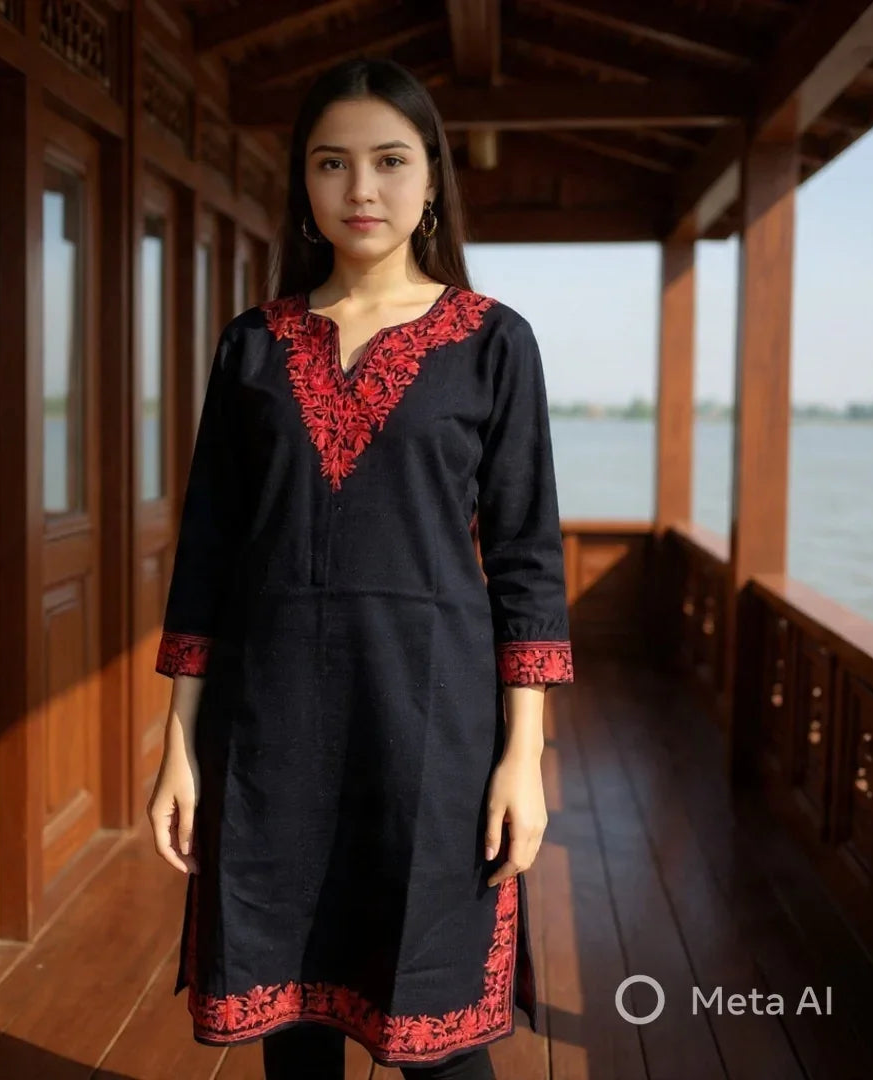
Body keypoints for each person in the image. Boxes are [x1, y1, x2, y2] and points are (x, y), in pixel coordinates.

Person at [147, 57, 574, 1080]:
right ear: (304, 182)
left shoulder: (493, 343)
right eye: (332, 163)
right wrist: (179, 746)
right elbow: (206, 555)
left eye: (389, 161)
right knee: (291, 1036)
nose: (361, 189)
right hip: (269, 735)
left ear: (431, 181)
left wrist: (523, 758)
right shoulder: (253, 347)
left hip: (431, 734)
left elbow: (527, 562)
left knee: (443, 1041)